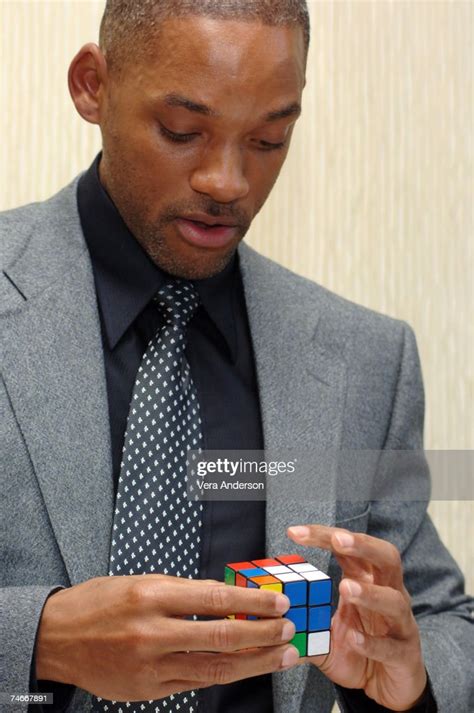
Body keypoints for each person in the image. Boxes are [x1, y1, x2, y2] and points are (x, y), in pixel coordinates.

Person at [1, 1, 472, 712]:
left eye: (269, 139)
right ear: (92, 85)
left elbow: (442, 617)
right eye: (183, 131)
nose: (228, 182)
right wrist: (36, 636)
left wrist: (412, 676)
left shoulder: (366, 361)